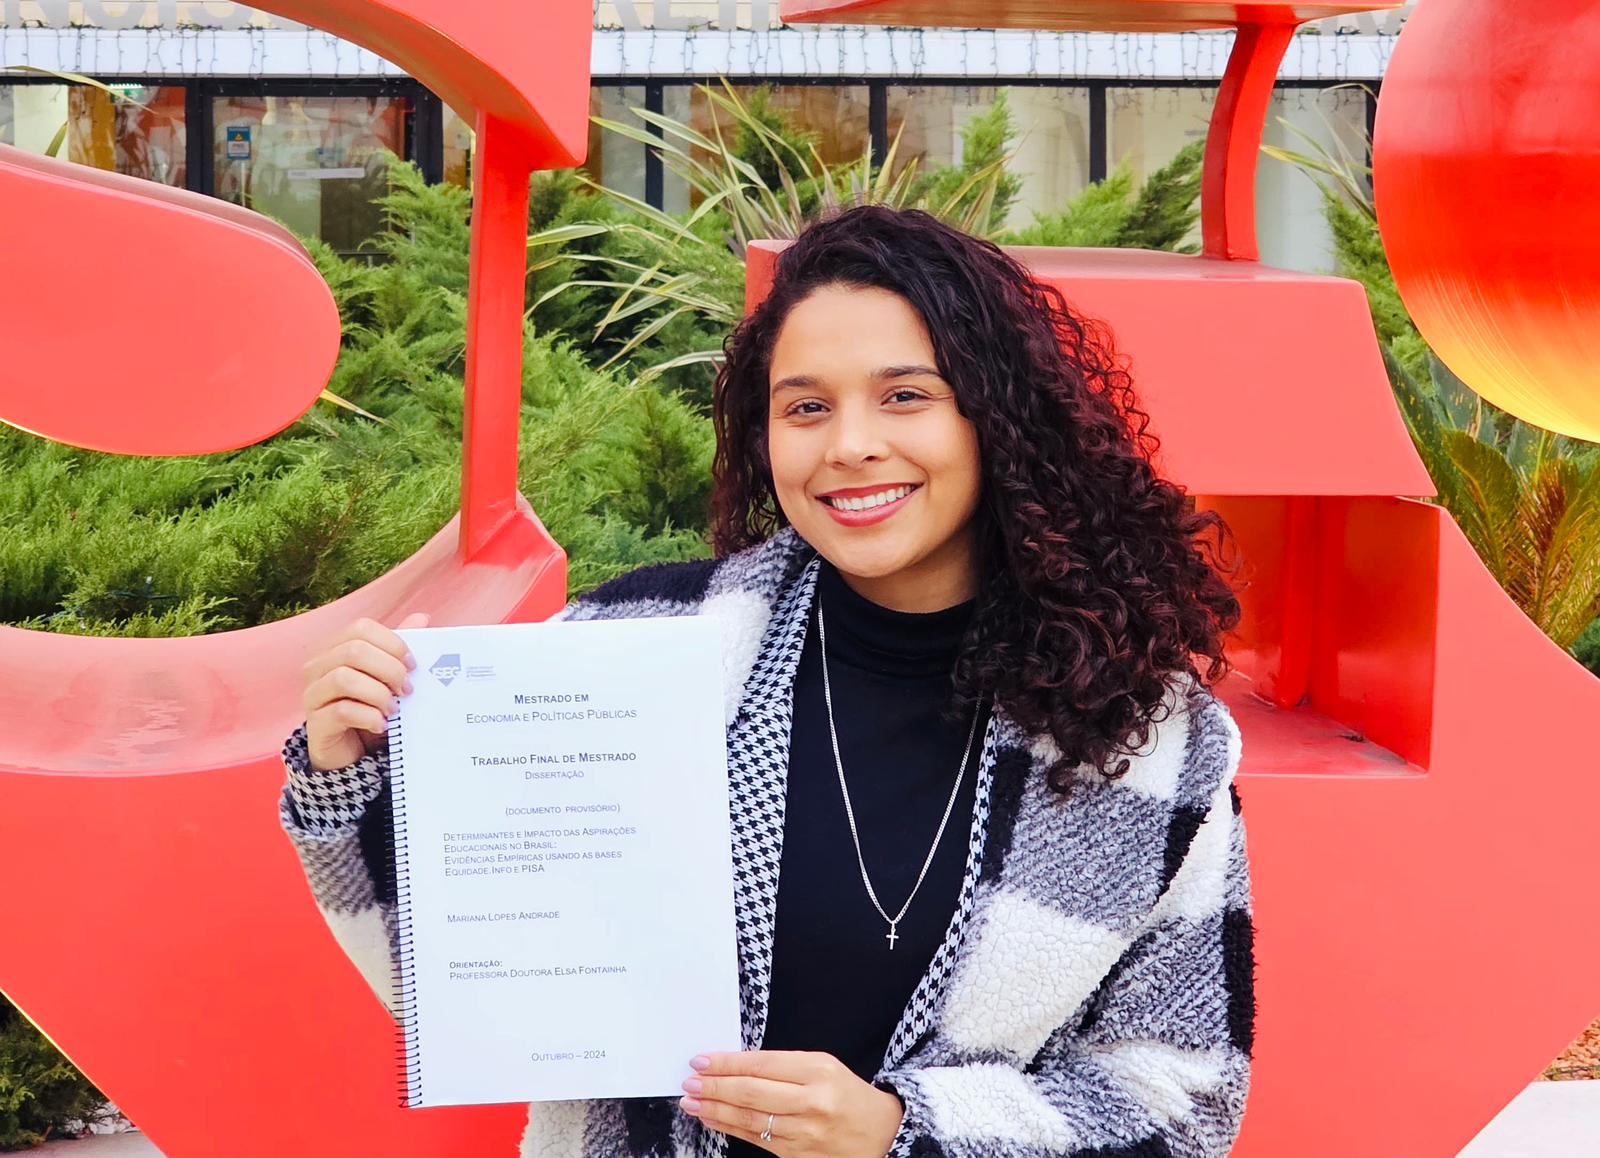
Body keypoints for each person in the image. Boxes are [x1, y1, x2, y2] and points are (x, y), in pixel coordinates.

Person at [279, 204, 1255, 1158]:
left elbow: (1183, 1096)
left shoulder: (1147, 738)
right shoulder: (626, 651)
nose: (849, 445)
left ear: (999, 419)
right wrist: (352, 774)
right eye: (806, 407)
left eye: (905, 396)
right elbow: (473, 995)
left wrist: (902, 1133)